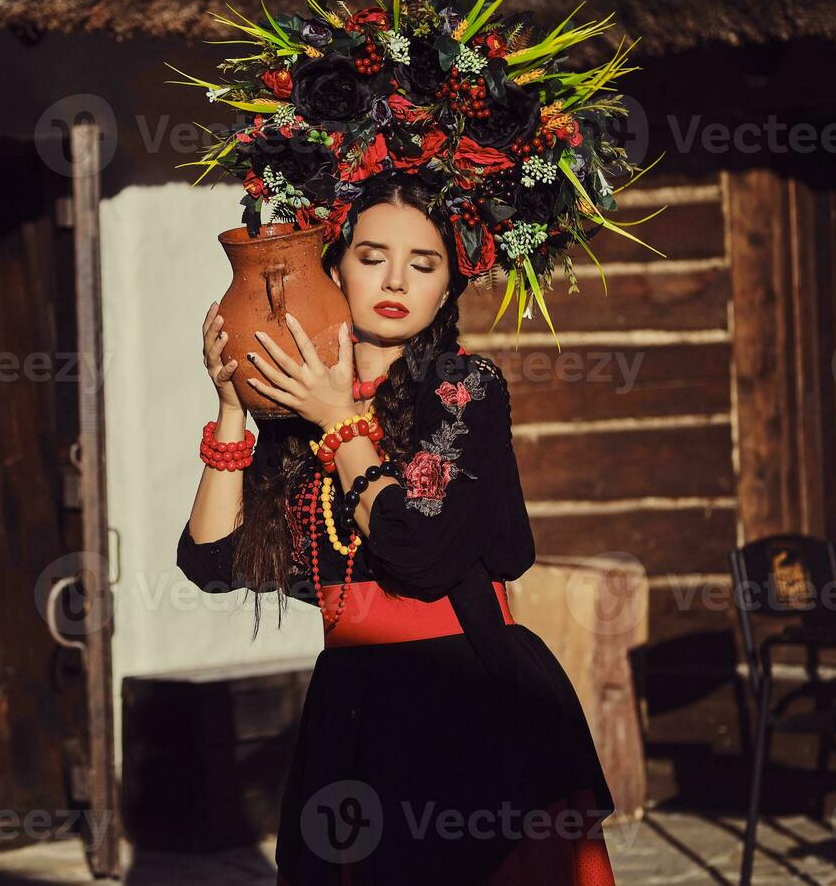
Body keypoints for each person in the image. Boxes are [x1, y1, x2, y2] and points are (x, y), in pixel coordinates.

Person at [179, 173, 619, 885]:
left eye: (423, 265)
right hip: (351, 710)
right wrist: (233, 406)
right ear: (335, 269)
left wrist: (339, 422)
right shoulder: (294, 421)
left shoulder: (464, 389)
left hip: (468, 706)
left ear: (447, 291)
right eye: (372, 256)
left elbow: (417, 548)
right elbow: (211, 562)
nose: (395, 279)